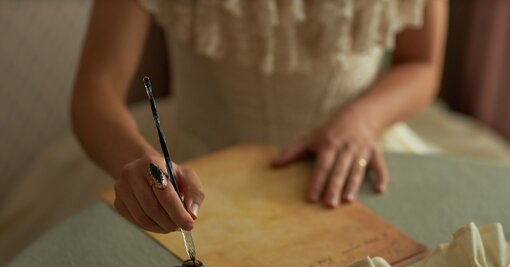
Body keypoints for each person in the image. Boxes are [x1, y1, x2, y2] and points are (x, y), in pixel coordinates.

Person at [71, 0, 447, 234]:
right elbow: (94, 94)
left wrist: (362, 120)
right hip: (192, 176)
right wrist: (138, 161)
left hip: (356, 167)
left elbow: (422, 63)